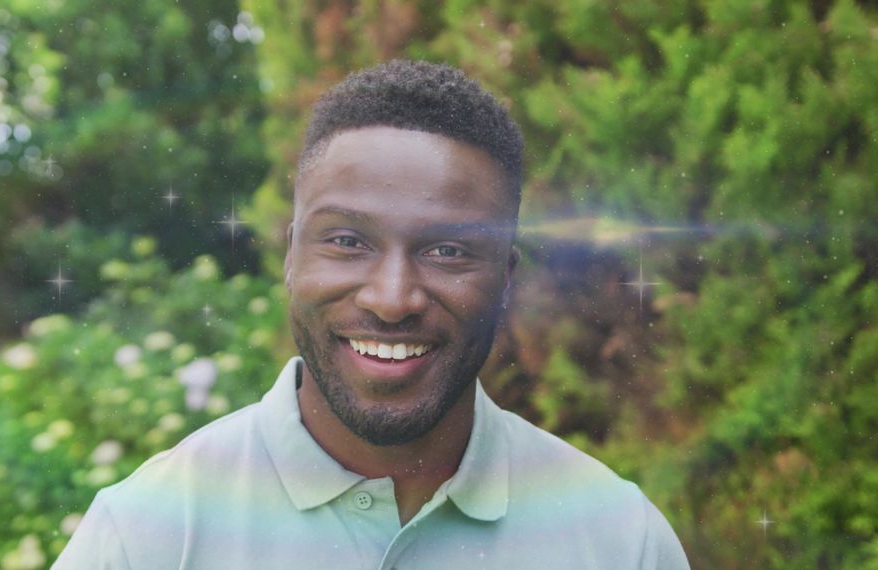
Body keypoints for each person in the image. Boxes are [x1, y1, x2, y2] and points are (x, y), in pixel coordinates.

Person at [53, 59, 690, 569]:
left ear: (506, 282)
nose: (391, 299)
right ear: (291, 258)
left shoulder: (619, 540)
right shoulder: (145, 535)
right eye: (348, 242)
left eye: (448, 251)